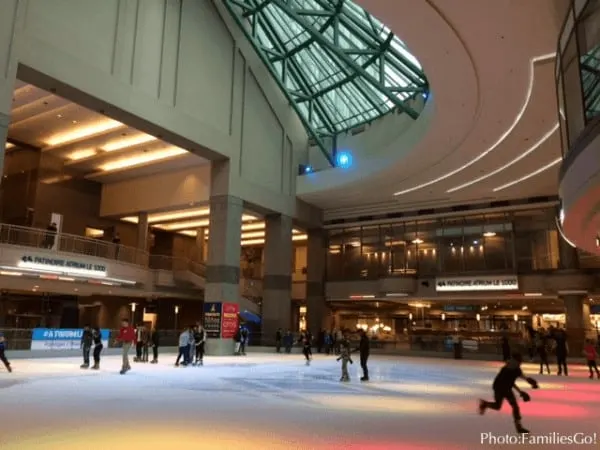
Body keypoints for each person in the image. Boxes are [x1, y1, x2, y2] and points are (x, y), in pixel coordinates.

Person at [478, 352, 539, 434]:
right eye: (519, 361)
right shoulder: (506, 369)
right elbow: (510, 383)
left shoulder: (516, 369)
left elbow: (521, 377)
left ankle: (519, 427)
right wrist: (520, 391)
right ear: (514, 361)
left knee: (512, 407)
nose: (520, 363)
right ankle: (485, 404)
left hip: (506, 388)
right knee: (499, 406)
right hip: (499, 388)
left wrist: (529, 383)